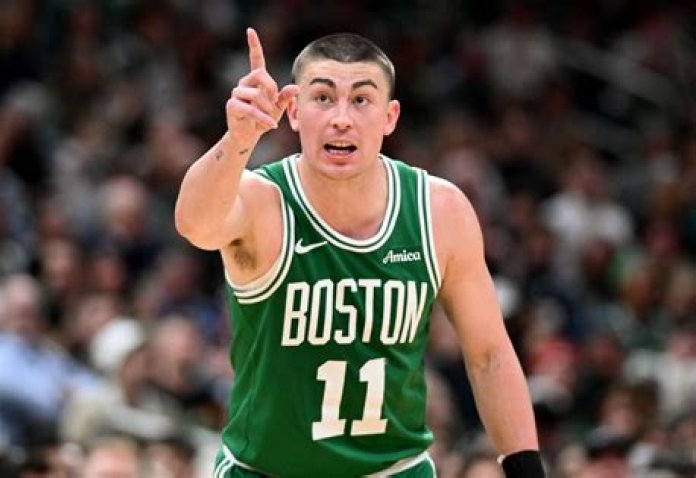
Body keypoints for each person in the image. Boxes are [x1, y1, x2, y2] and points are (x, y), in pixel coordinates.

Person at [175, 28, 545, 477]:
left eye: (361, 100)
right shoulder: (261, 199)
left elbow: (489, 354)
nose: (341, 118)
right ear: (293, 111)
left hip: (395, 470)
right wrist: (237, 140)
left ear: (390, 117)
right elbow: (194, 224)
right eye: (323, 98)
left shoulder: (438, 210)